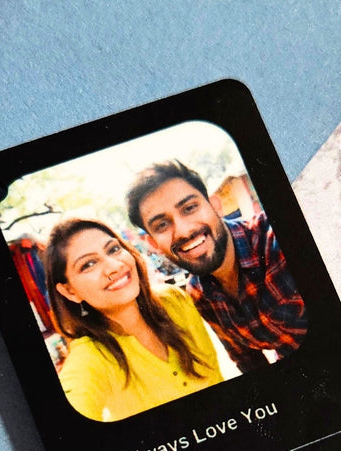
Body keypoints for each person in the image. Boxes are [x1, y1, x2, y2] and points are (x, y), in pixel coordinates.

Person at [126, 160, 307, 373]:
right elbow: (247, 361)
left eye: (189, 208)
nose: (183, 231)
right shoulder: (199, 294)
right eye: (162, 225)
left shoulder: (276, 241)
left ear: (215, 205)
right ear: (153, 243)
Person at [45, 218, 223, 421]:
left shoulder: (174, 300)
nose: (114, 266)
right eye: (88, 264)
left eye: (113, 249)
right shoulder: (91, 358)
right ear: (69, 291)